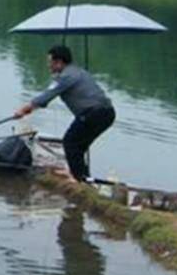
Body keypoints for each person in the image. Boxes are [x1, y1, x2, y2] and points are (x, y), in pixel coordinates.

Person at [14, 44, 115, 181]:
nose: (49, 66)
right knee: (79, 146)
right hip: (106, 113)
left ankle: (78, 179)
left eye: (50, 62)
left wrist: (23, 110)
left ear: (59, 62)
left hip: (94, 113)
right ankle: (82, 177)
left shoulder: (66, 76)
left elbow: (47, 96)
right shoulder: (78, 72)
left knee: (70, 142)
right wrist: (30, 109)